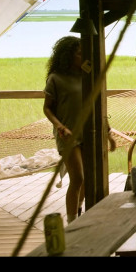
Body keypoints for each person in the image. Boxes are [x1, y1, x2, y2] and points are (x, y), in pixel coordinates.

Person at [43, 36, 85, 224]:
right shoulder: (55, 78)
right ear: (68, 56)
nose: (82, 55)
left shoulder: (86, 75)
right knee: (77, 178)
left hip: (86, 134)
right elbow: (47, 108)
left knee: (87, 181)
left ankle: (77, 211)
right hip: (67, 136)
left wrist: (106, 132)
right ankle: (72, 223)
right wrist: (60, 126)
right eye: (79, 53)